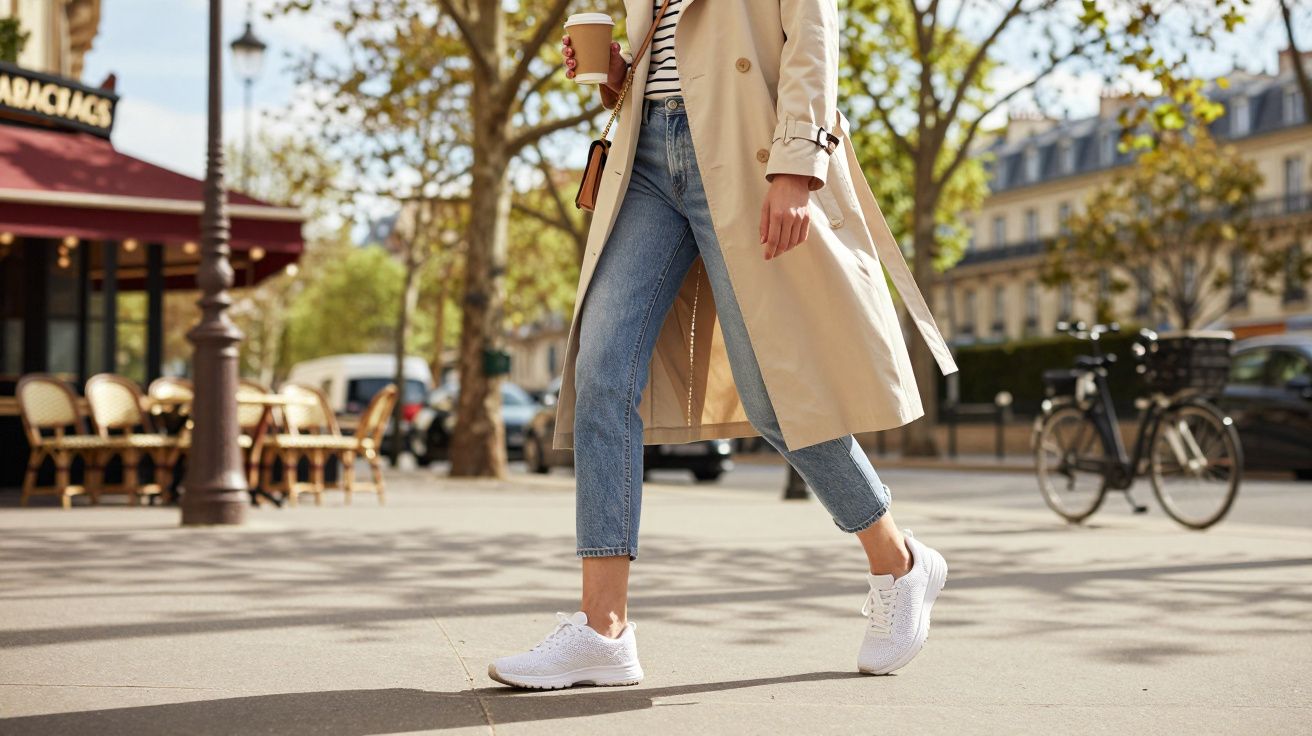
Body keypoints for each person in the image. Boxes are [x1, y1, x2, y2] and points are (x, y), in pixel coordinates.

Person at [488, 0, 957, 690]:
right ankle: (602, 630)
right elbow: (675, 44)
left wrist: (797, 164)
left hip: (744, 146)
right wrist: (620, 73)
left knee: (773, 397)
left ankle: (899, 563)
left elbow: (812, 35)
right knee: (601, 374)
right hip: (646, 155)